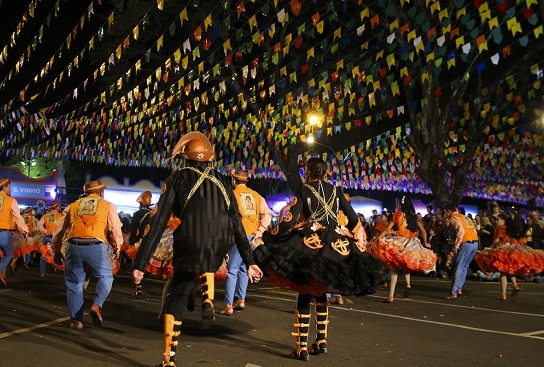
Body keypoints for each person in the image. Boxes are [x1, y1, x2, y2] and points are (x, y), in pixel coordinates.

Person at [132, 132, 263, 367]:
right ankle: (208, 299)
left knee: (177, 295)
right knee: (208, 262)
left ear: (185, 159)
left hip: (190, 241)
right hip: (219, 244)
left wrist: (141, 263)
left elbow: (159, 220)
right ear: (210, 161)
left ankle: (168, 361)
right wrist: (250, 260)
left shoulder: (178, 178)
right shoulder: (223, 181)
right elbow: (236, 222)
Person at [254, 157, 387, 361]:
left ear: (308, 172)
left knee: (305, 289)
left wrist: (268, 237)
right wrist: (345, 232)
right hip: (335, 242)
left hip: (310, 241)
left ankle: (302, 348)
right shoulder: (336, 191)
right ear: (325, 173)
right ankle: (321, 341)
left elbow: (289, 222)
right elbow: (353, 219)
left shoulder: (305, 190)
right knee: (322, 287)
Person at [51, 179, 123, 329]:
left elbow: (59, 230)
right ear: (101, 192)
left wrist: (56, 250)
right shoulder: (107, 205)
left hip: (73, 246)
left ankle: (76, 321)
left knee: (74, 284)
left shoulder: (73, 205)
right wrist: (118, 247)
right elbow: (115, 228)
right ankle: (97, 305)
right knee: (105, 277)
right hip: (96, 245)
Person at [219, 168, 272, 316]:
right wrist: (260, 231)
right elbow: (267, 213)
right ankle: (241, 299)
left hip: (238, 236)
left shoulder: (232, 194)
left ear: (233, 180)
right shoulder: (256, 196)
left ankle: (229, 305)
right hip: (252, 237)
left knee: (232, 270)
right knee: (244, 267)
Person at [369, 196, 436, 302]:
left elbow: (386, 230)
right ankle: (408, 284)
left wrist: (376, 239)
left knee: (393, 268)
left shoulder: (397, 214)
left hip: (399, 241)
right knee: (407, 264)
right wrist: (426, 242)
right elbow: (423, 231)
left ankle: (391, 296)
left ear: (401, 205)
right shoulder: (413, 217)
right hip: (412, 243)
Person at [475, 213, 544, 300]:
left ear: (503, 220)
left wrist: (489, 249)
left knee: (502, 272)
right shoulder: (509, 228)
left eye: (498, 220)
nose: (496, 221)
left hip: (502, 251)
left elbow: (496, 241)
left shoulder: (500, 229)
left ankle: (503, 294)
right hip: (511, 251)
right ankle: (514, 286)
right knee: (509, 270)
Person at [444, 204, 480, 300]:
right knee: (464, 266)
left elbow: (460, 231)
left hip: (466, 242)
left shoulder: (454, 217)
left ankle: (454, 292)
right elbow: (474, 229)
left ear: (448, 211)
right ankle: (459, 288)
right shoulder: (464, 217)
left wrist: (456, 246)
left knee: (459, 266)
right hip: (475, 242)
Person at [129, 191, 154, 296]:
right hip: (152, 241)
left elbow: (133, 229)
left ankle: (138, 287)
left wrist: (131, 243)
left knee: (137, 264)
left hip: (139, 242)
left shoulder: (137, 214)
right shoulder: (154, 213)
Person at [37, 201, 62, 277]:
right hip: (55, 238)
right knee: (60, 254)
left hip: (47, 238)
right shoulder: (60, 216)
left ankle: (42, 273)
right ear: (57, 207)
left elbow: (39, 225)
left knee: (44, 255)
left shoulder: (46, 215)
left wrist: (45, 231)